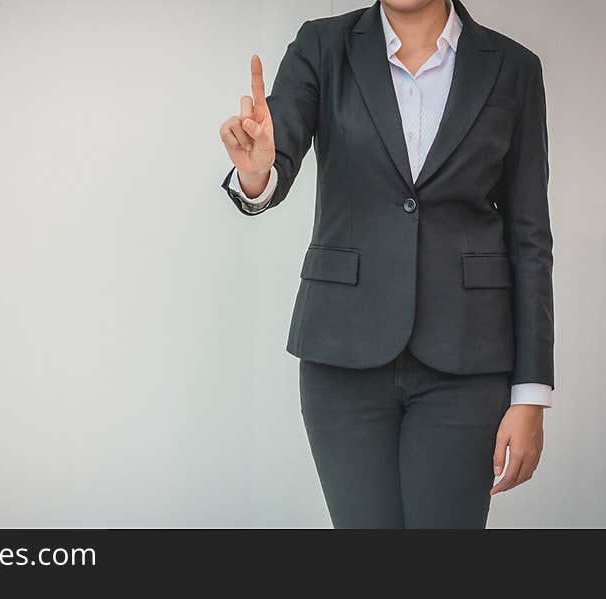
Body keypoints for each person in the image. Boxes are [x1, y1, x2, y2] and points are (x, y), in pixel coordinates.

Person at [218, 0, 554, 528]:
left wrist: (532, 392)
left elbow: (530, 237)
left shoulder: (513, 68)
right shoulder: (322, 46)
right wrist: (258, 173)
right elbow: (273, 156)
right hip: (343, 356)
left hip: (467, 363)